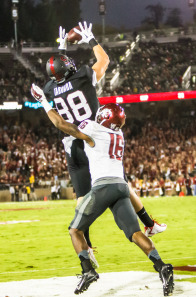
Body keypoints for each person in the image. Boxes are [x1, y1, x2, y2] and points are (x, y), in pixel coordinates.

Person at [31, 21, 166, 266]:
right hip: (95, 137)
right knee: (120, 182)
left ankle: (88, 246)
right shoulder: (82, 75)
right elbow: (103, 61)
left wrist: (62, 48)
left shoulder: (50, 88)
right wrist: (90, 38)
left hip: (72, 141)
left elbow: (60, 79)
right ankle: (148, 223)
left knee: (82, 197)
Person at [28, 98, 174, 296]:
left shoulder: (93, 128)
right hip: (121, 187)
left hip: (103, 187)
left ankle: (88, 271)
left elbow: (61, 124)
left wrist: (44, 103)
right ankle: (162, 267)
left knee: (75, 231)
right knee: (134, 233)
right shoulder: (119, 133)